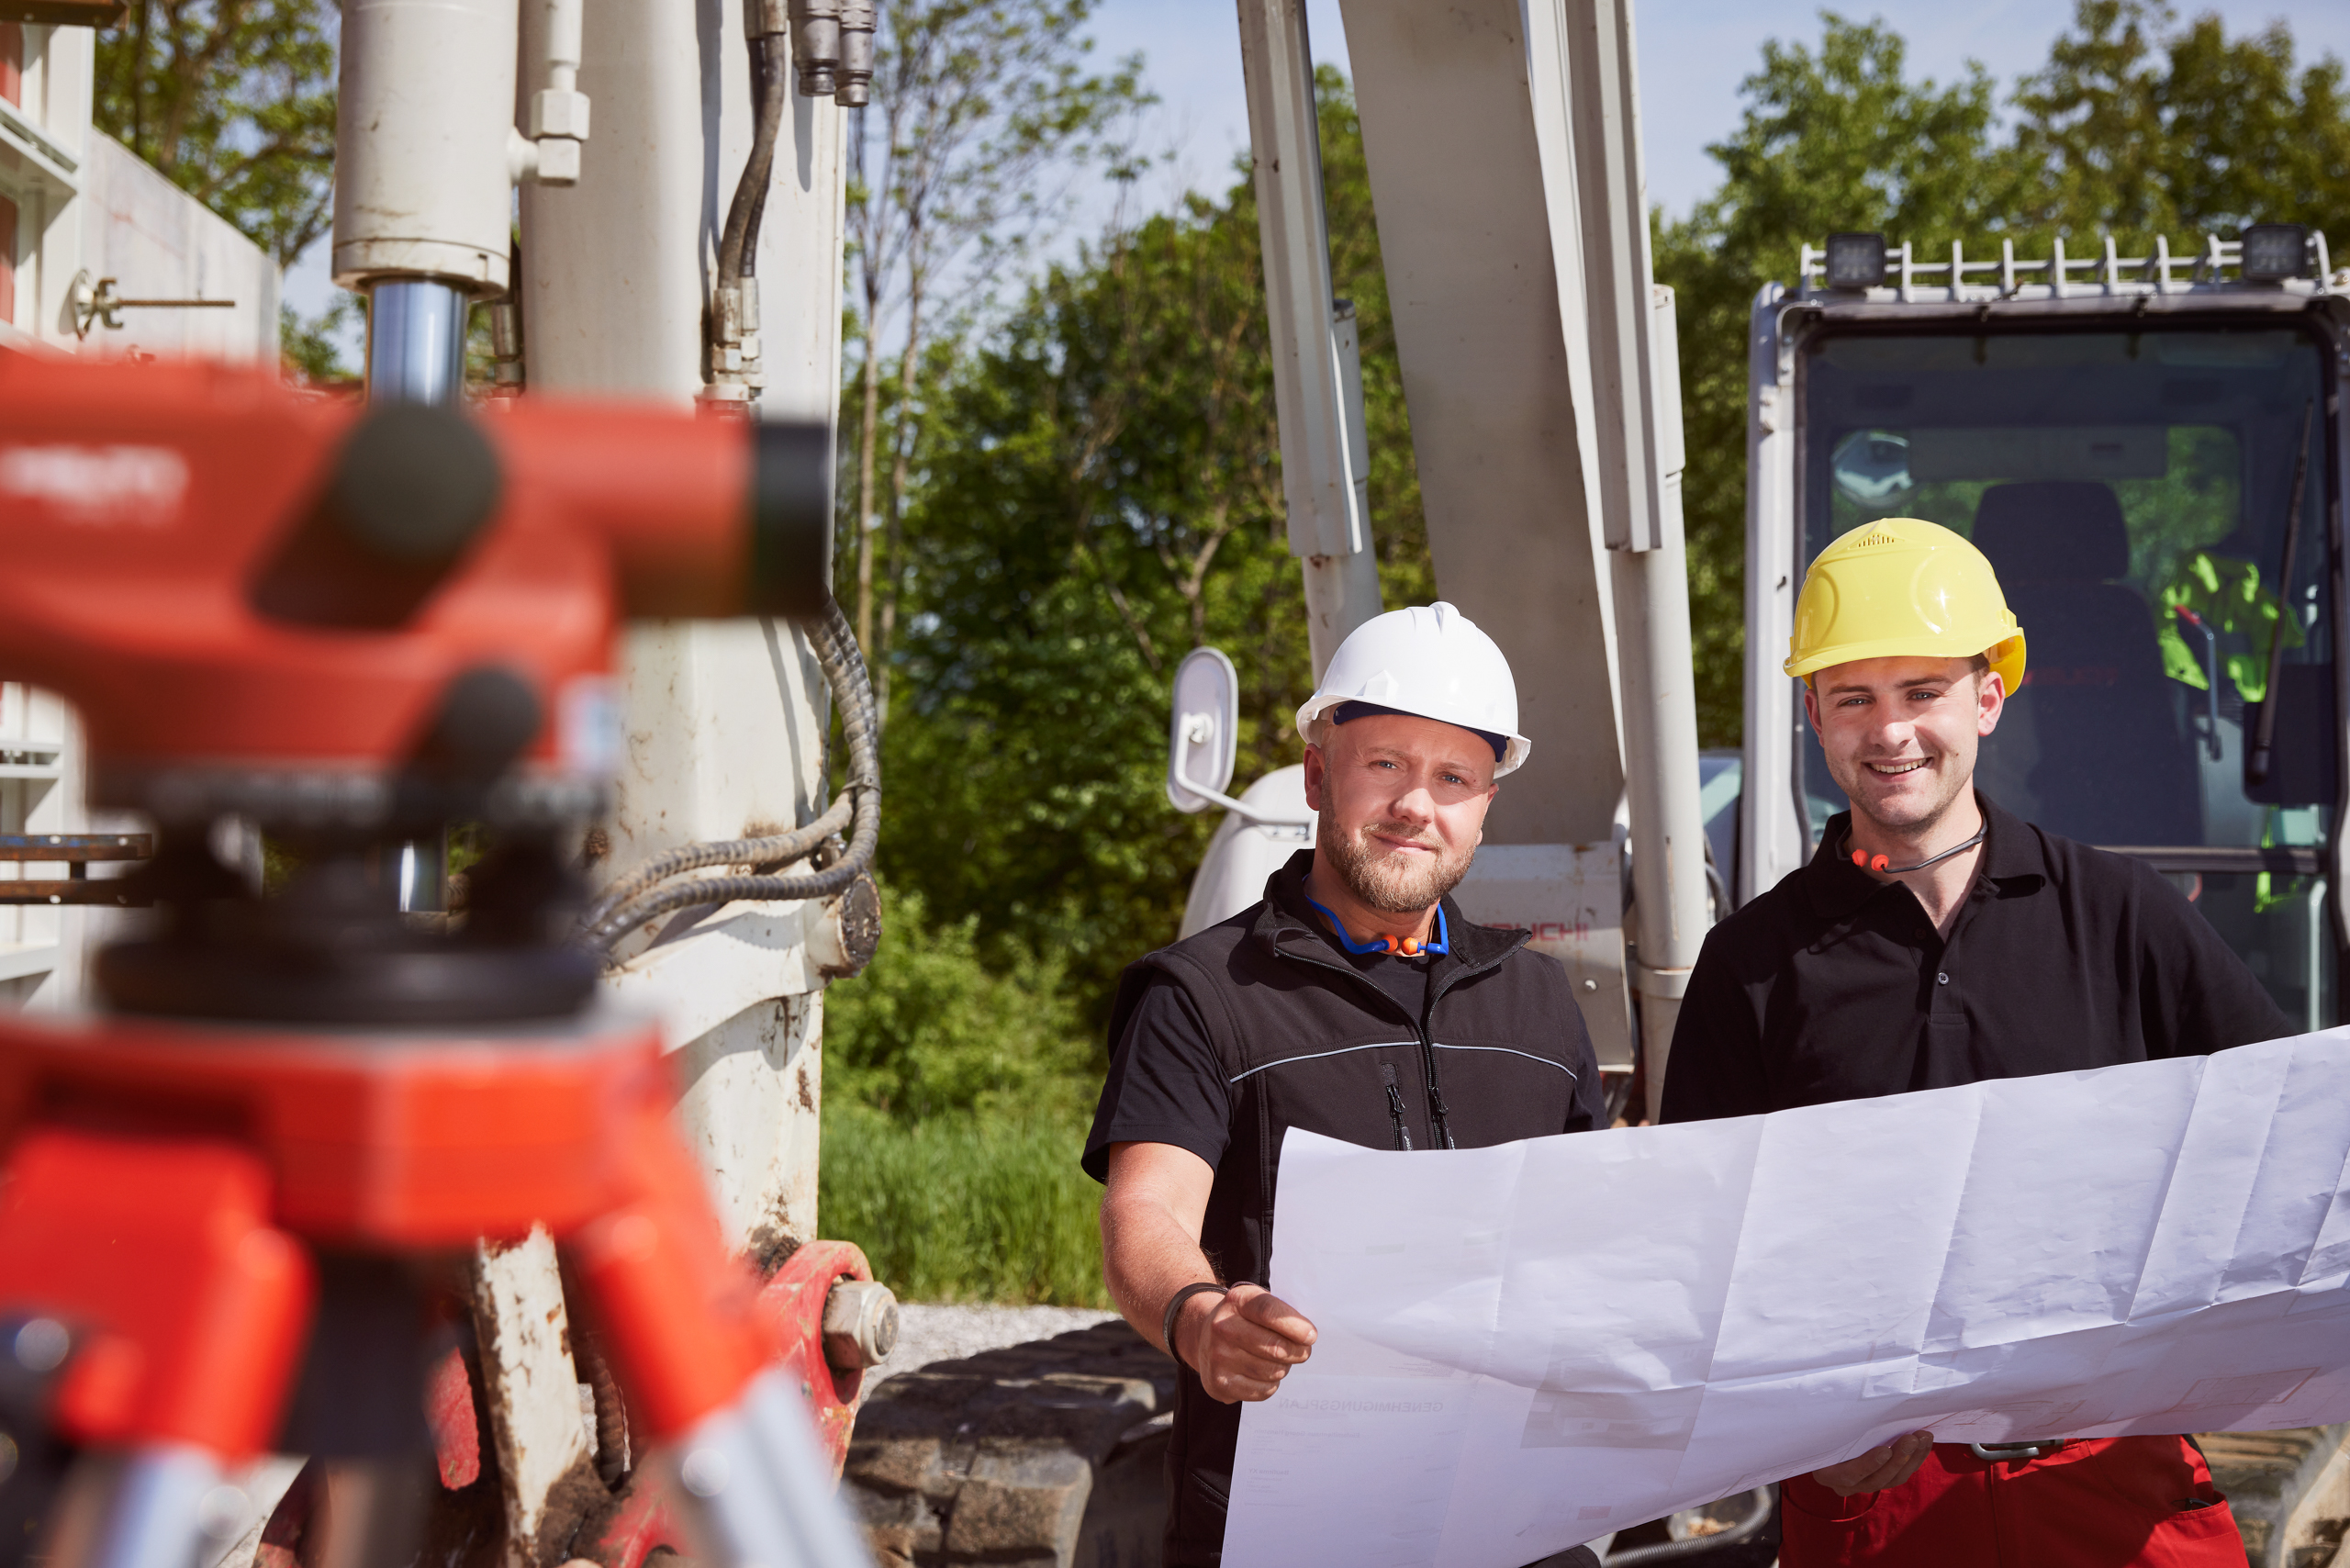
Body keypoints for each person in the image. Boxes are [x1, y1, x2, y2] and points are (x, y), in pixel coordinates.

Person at [1663, 517, 2293, 1568]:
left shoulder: (2121, 916)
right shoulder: (1752, 965)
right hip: (1871, 1491)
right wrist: (1795, 1432)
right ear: (1812, 714)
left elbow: (2286, 1140)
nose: (1890, 731)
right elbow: (1700, 1245)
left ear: (1988, 699)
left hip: (2115, 1473)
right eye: (1853, 697)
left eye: (1922, 691)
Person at [1083, 602, 1609, 1568]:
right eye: (1386, 764)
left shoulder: (1539, 1004)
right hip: (1284, 1523)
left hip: (1517, 1523)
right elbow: (1145, 1213)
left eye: (1453, 778)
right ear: (1319, 775)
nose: (1417, 805)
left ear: (1485, 805)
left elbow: (1589, 1239)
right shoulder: (1200, 994)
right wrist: (1201, 1318)